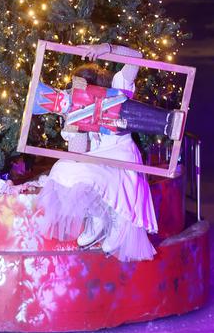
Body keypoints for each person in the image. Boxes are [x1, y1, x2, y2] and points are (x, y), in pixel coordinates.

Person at [36, 44, 157, 262]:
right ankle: (98, 214)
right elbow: (78, 153)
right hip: (95, 162)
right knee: (63, 168)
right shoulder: (73, 107)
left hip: (121, 161)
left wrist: (106, 48)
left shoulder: (118, 88)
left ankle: (119, 217)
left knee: (100, 177)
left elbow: (137, 57)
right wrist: (76, 122)